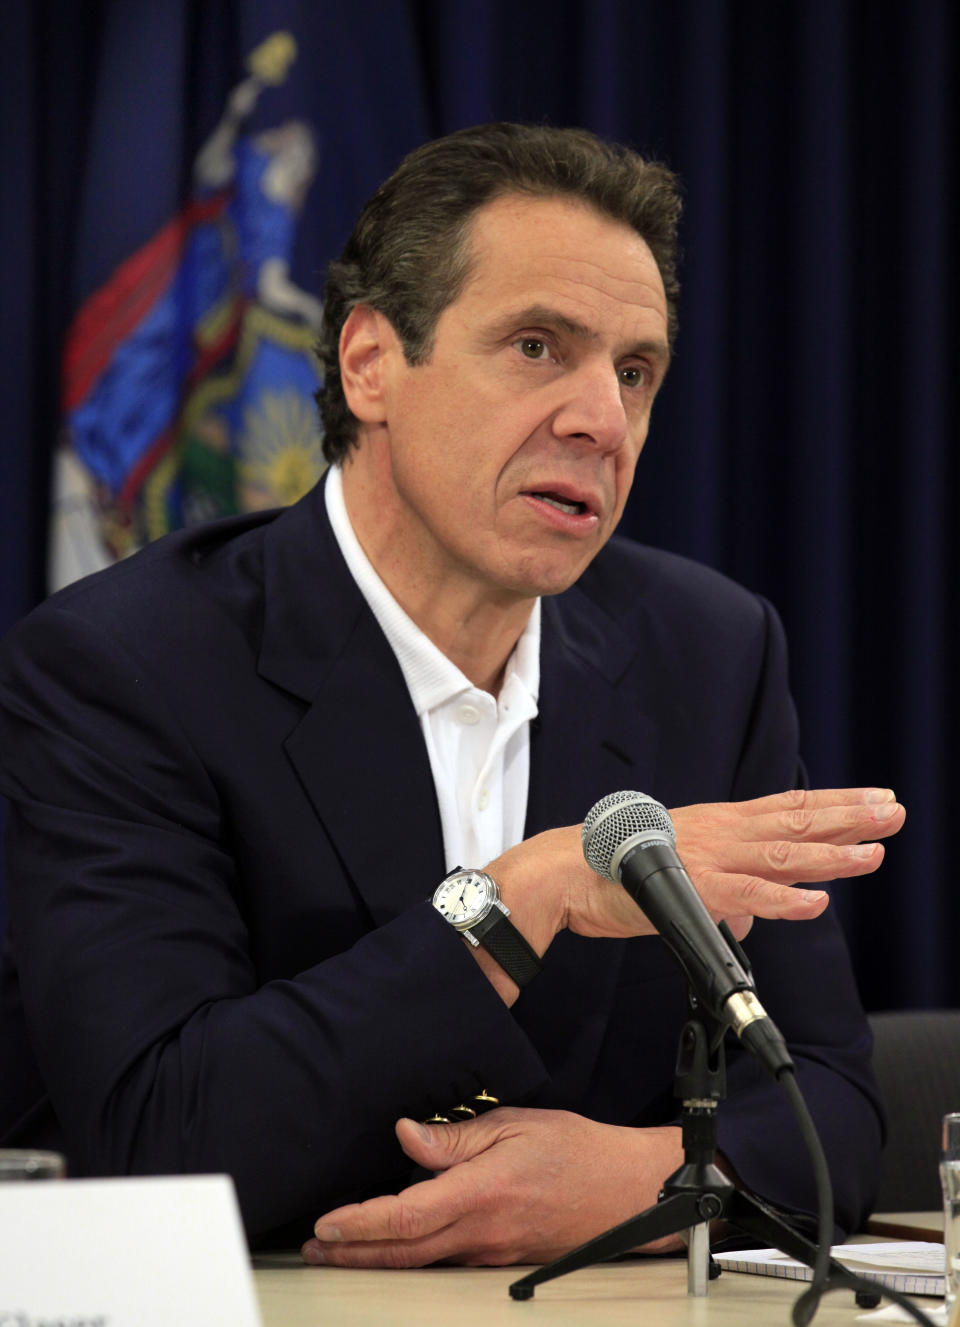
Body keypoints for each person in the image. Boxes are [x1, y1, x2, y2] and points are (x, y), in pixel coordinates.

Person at [0, 124, 903, 1265]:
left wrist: (646, 1180)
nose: (603, 421)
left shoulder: (710, 652)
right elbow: (161, 1136)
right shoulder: (124, 665)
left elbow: (832, 1105)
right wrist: (523, 895)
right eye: (538, 346)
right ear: (371, 363)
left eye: (635, 371)